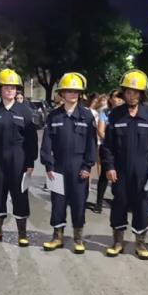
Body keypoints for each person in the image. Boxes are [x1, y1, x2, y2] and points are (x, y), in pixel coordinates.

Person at [101, 70, 148, 259]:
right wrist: (109, 167)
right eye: (129, 92)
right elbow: (107, 146)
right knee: (119, 204)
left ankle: (140, 244)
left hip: (143, 171)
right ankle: (118, 241)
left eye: (136, 92)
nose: (132, 95)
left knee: (141, 206)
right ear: (124, 93)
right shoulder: (115, 115)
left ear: (142, 94)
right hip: (119, 171)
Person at [0, 69, 38, 246]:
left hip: (19, 161)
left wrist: (30, 162)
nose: (9, 90)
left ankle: (22, 233)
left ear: (17, 90)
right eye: (6, 87)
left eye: (13, 87)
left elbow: (31, 140)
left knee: (20, 195)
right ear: (0, 89)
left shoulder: (24, 112)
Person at [40, 73, 97, 254]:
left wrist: (88, 166)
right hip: (58, 166)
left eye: (75, 91)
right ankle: (57, 236)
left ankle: (78, 238)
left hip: (80, 166)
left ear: (80, 94)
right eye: (68, 91)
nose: (72, 94)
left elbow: (91, 144)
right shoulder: (54, 116)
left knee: (79, 203)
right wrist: (48, 165)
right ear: (62, 93)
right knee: (58, 202)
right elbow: (46, 143)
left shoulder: (87, 116)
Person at [90, 90, 124, 213]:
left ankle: (119, 202)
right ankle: (99, 203)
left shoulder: (127, 113)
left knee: (121, 177)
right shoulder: (105, 113)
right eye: (116, 97)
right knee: (104, 177)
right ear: (111, 99)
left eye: (121, 97)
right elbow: (100, 131)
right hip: (108, 148)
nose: (119, 100)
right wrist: (112, 141)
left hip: (122, 150)